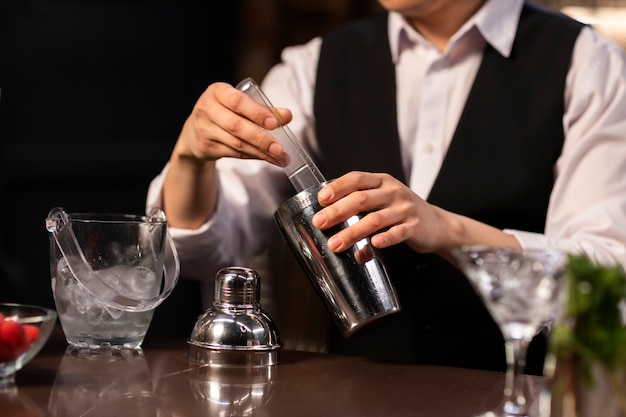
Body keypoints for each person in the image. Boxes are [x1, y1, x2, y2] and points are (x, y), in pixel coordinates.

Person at [147, 0, 626, 374]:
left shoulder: (587, 64)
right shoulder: (316, 64)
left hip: (514, 393)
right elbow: (200, 255)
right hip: (358, 393)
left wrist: (449, 229)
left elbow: (609, 280)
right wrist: (191, 160)